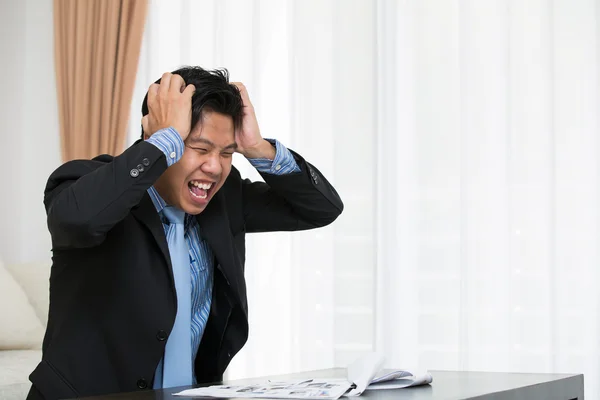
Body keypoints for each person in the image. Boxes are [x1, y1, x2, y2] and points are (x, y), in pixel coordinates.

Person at [27, 67, 343, 400]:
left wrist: (259, 149)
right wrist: (165, 142)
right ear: (159, 138)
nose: (215, 167)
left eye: (226, 153)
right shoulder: (87, 184)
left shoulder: (225, 198)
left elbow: (321, 209)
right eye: (199, 148)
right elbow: (79, 221)